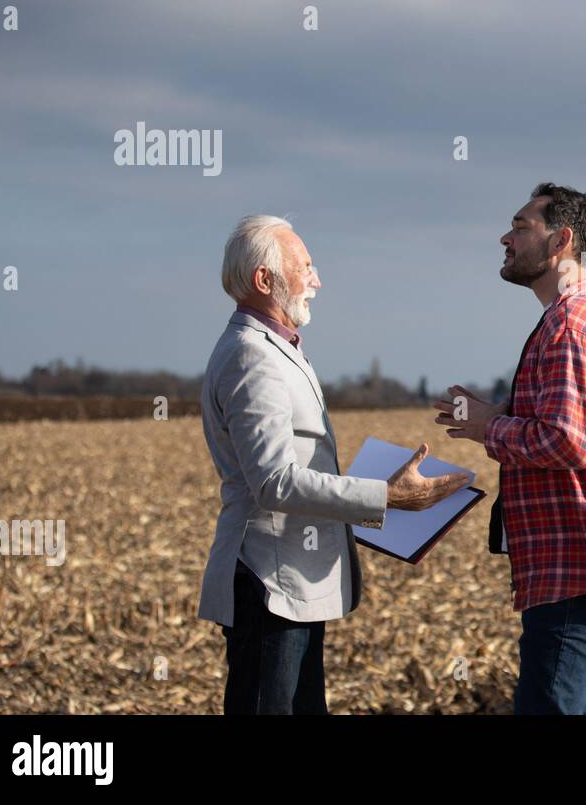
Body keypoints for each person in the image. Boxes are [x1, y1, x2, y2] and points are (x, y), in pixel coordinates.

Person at [197, 215, 468, 714]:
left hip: (292, 582)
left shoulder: (274, 349)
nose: (317, 280)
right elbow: (275, 482)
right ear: (264, 280)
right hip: (270, 584)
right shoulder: (251, 357)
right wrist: (386, 497)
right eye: (305, 267)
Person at [434, 183, 586, 714]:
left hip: (577, 574)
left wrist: (491, 427)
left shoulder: (573, 324)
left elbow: (568, 440)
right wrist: (497, 421)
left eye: (519, 226)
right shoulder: (568, 319)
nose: (505, 237)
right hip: (573, 575)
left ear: (560, 240)